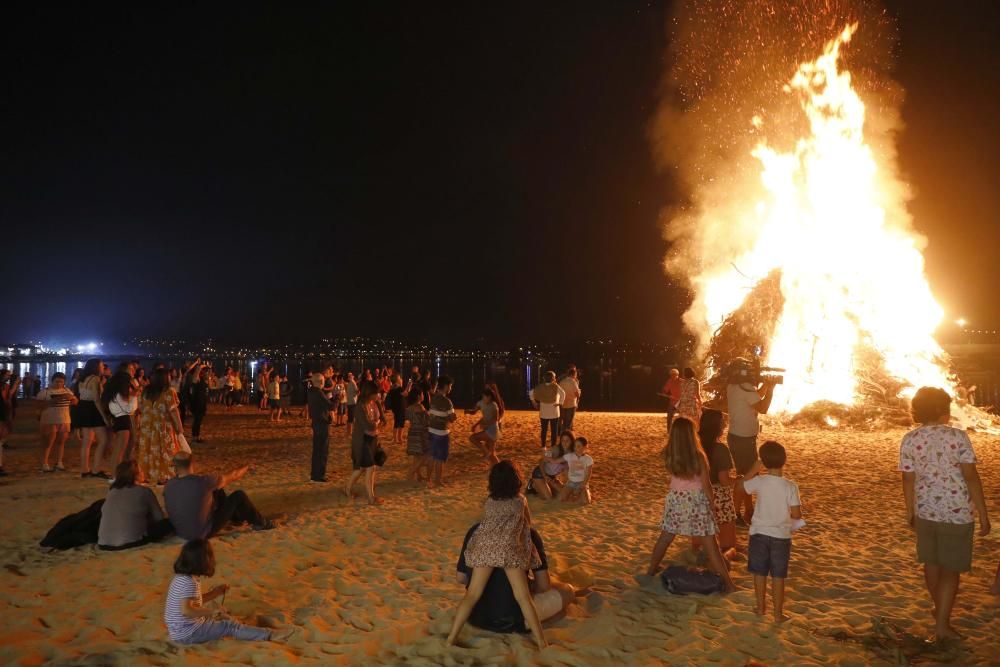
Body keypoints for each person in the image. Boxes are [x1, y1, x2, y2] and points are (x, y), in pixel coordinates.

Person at [899, 386, 991, 642]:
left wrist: (910, 512)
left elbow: (908, 479)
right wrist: (983, 513)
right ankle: (941, 625)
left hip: (925, 511)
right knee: (951, 570)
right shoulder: (958, 437)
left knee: (931, 563)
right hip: (957, 512)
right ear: (943, 411)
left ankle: (939, 610)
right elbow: (971, 476)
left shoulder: (910, 439)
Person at [447, 461, 547, 649]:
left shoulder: (489, 501)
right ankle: (542, 642)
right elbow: (527, 526)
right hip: (508, 548)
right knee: (523, 597)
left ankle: (451, 638)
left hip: (486, 546)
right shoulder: (520, 500)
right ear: (516, 480)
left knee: (472, 595)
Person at [646, 418, 737, 592]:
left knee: (665, 537)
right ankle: (730, 585)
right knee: (711, 545)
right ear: (691, 435)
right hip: (696, 501)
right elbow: (706, 485)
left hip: (676, 499)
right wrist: (712, 504)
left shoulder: (669, 454)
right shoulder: (698, 456)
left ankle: (650, 571)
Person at [454, 521, 575, 637]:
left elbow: (461, 578)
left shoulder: (474, 530)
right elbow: (542, 587)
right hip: (513, 621)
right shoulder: (528, 533)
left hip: (474, 616)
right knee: (567, 590)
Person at [165, 539, 285, 643]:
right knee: (229, 627)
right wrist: (211, 612)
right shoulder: (189, 582)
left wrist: (215, 593)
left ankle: (246, 628)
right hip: (188, 633)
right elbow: (186, 611)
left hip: (180, 630)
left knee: (225, 618)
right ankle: (269, 634)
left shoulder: (182, 577)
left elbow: (194, 602)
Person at [737, 441, 802, 623]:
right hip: (781, 536)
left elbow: (741, 486)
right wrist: (791, 527)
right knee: (778, 576)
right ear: (784, 460)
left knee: (759, 573)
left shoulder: (760, 481)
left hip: (758, 534)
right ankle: (778, 614)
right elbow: (796, 515)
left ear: (763, 463)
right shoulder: (791, 486)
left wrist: (754, 468)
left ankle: (760, 607)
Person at [164, 452, 275, 539]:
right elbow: (233, 475)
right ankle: (261, 523)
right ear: (192, 464)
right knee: (238, 495)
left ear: (175, 467)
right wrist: (247, 466)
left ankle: (236, 519)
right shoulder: (203, 482)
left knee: (217, 490)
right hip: (203, 532)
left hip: (181, 531)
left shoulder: (169, 484)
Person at [727, 365, 777, 523]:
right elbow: (762, 407)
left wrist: (766, 385)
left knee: (747, 476)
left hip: (737, 436)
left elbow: (754, 396)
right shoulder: (746, 388)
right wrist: (771, 389)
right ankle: (736, 513)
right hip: (744, 439)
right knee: (747, 477)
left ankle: (748, 510)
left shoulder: (733, 386)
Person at [98, 460, 173, 550]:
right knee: (168, 523)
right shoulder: (144, 491)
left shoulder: (112, 491)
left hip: (103, 543)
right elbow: (159, 518)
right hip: (130, 542)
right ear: (136, 475)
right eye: (141, 471)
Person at [699, 409, 738, 553]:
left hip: (698, 493)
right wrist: (739, 480)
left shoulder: (696, 446)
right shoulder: (720, 449)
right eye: (722, 423)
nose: (724, 425)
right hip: (718, 496)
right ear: (718, 427)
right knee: (728, 547)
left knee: (700, 542)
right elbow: (724, 480)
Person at [136, 369, 182, 485]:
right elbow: (174, 411)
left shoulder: (146, 391)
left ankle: (146, 474)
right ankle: (164, 475)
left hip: (147, 426)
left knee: (147, 449)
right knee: (164, 449)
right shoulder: (169, 391)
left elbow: (140, 408)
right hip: (162, 425)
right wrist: (179, 427)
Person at [345, 383, 382, 504]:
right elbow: (368, 424)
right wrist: (376, 423)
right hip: (363, 440)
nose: (378, 395)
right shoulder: (360, 407)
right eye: (376, 393)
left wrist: (376, 423)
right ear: (369, 393)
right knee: (370, 467)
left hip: (372, 439)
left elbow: (379, 418)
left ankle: (347, 489)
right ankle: (371, 498)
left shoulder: (374, 403)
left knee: (360, 469)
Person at [76, 359, 112, 479]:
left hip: (83, 407)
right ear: (96, 367)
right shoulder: (95, 379)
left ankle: (84, 470)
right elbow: (96, 399)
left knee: (87, 442)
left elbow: (82, 395)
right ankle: (96, 470)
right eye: (102, 366)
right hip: (92, 408)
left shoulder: (82, 378)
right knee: (103, 440)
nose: (103, 367)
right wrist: (104, 417)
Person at [35, 372, 78, 472]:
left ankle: (59, 462)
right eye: (57, 381)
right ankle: (44, 463)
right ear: (52, 381)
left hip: (64, 419)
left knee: (61, 442)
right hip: (49, 420)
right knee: (48, 442)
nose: (59, 384)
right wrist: (58, 399)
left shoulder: (67, 391)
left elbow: (76, 402)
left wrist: (72, 399)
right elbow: (38, 405)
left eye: (61, 382)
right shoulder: (45, 392)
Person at [103, 370, 138, 470]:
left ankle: (116, 475)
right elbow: (128, 409)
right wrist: (133, 397)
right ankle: (115, 476)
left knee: (119, 451)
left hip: (119, 420)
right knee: (119, 451)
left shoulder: (113, 394)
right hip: (122, 421)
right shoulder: (118, 394)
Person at [428, 376, 457, 488]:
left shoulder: (433, 398)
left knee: (432, 456)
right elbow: (451, 418)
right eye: (450, 386)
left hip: (431, 430)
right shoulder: (447, 401)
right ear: (445, 386)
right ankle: (438, 480)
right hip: (441, 432)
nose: (450, 388)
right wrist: (453, 417)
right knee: (440, 457)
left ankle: (428, 479)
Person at [307, 372, 333, 483]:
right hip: (321, 424)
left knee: (317, 450)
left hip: (316, 422)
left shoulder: (311, 392)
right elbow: (331, 406)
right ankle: (319, 475)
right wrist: (337, 398)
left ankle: (315, 474)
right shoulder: (318, 393)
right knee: (322, 450)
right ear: (321, 382)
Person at [528, 431, 569, 500]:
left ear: (571, 442)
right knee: (548, 497)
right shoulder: (555, 450)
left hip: (552, 476)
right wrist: (545, 476)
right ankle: (533, 485)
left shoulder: (571, 454)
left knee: (564, 493)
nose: (564, 443)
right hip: (540, 474)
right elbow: (541, 461)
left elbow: (567, 471)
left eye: (567, 440)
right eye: (562, 440)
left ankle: (547, 485)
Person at [466, 386, 501, 466]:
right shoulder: (480, 403)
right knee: (492, 454)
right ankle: (497, 467)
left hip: (493, 430)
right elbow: (474, 411)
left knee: (472, 438)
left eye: (486, 397)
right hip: (489, 429)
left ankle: (486, 452)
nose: (484, 398)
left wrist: (486, 424)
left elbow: (496, 419)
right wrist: (469, 412)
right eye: (483, 396)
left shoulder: (493, 405)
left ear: (490, 397)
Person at [529, 371, 566, 449]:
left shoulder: (540, 387)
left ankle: (543, 446)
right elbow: (563, 393)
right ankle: (553, 446)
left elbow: (531, 392)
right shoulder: (556, 386)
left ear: (544, 378)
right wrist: (560, 403)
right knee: (554, 431)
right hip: (554, 412)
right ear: (553, 378)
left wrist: (534, 403)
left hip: (543, 412)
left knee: (544, 430)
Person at [558, 436, 594, 504]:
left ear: (585, 447)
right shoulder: (570, 455)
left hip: (582, 482)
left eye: (578, 446)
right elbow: (556, 461)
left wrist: (582, 486)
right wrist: (546, 457)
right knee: (561, 498)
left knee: (586, 502)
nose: (575, 448)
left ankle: (585, 492)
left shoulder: (588, 459)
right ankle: (575, 493)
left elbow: (588, 474)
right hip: (571, 482)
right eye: (575, 446)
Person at [405, 390, 430, 481]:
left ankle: (418, 475)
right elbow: (426, 420)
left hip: (412, 431)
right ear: (419, 396)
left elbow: (406, 417)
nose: (423, 395)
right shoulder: (420, 407)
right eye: (422, 394)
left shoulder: (409, 408)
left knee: (416, 455)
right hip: (421, 432)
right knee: (424, 454)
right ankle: (411, 472)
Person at [189, 367, 210, 443]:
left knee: (199, 422)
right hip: (197, 405)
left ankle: (197, 436)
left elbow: (205, 396)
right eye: (206, 373)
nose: (208, 375)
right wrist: (199, 367)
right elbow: (195, 376)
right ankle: (194, 437)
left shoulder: (205, 383)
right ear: (202, 374)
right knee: (196, 422)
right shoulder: (198, 382)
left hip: (202, 406)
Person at [558, 367, 582, 434]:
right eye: (576, 374)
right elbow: (577, 394)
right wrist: (579, 393)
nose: (576, 376)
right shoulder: (573, 382)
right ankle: (566, 435)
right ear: (573, 374)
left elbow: (558, 393)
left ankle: (562, 433)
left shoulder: (562, 382)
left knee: (564, 420)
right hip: (571, 404)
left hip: (563, 404)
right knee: (568, 422)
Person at [385, 376, 406, 444]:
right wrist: (409, 385)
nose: (401, 379)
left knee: (398, 422)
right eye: (400, 378)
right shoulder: (399, 388)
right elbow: (405, 394)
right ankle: (397, 438)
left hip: (396, 407)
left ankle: (398, 438)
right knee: (399, 423)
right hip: (400, 407)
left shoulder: (392, 388)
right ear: (397, 380)